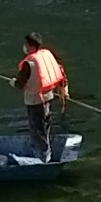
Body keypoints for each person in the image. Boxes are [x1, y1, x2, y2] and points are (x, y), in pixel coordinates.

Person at [14, 33, 68, 163]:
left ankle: (42, 158)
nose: (24, 47)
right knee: (45, 125)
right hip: (47, 98)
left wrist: (13, 82)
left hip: (35, 101)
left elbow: (20, 84)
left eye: (26, 44)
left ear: (30, 46)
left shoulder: (29, 63)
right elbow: (60, 71)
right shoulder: (46, 55)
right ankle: (45, 151)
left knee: (37, 129)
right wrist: (63, 89)